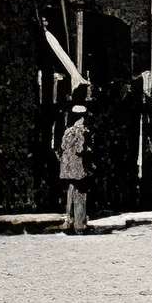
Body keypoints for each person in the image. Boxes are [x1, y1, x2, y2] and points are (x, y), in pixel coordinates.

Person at [54, 90, 93, 233]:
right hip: (78, 167)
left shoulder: (67, 131)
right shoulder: (82, 131)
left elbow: (63, 147)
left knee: (70, 192)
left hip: (67, 167)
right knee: (80, 194)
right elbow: (81, 149)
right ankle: (79, 224)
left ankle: (69, 221)